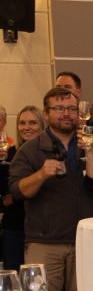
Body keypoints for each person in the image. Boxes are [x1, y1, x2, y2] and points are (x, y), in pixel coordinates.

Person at [8, 87, 93, 291]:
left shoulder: (90, 145)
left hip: (84, 241)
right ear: (46, 113)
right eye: (59, 108)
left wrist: (91, 152)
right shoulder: (30, 150)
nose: (66, 114)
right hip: (44, 244)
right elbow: (17, 191)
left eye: (71, 109)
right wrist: (41, 174)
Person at [1, 106, 45, 270]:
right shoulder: (8, 153)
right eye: (22, 123)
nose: (27, 127)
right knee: (14, 281)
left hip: (42, 231)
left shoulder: (51, 153)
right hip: (14, 227)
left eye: (33, 122)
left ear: (43, 125)